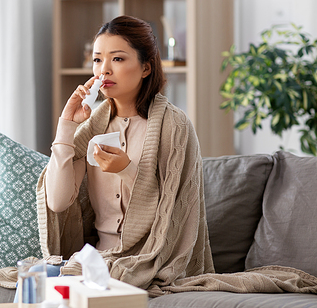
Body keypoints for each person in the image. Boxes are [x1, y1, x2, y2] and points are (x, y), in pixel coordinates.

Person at [35, 15, 215, 296]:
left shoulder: (175, 127)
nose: (104, 70)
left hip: (151, 259)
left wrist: (127, 170)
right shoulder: (92, 126)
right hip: (97, 260)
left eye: (117, 59)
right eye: (97, 60)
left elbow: (174, 213)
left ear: (145, 67)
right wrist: (66, 125)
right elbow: (57, 203)